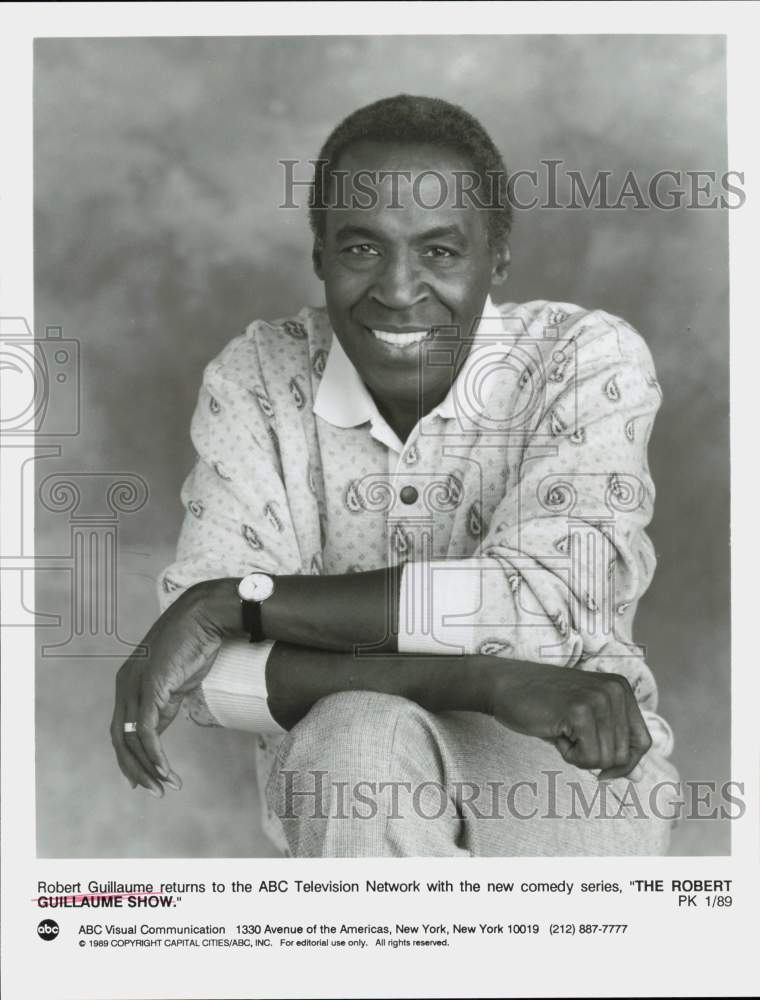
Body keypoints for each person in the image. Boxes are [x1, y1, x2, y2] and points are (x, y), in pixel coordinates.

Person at [110, 94, 678, 857]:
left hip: (568, 778)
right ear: (318, 255)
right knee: (359, 740)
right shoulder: (259, 375)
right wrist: (485, 682)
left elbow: (542, 607)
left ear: (498, 259)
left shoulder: (582, 358)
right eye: (360, 249)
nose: (399, 288)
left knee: (355, 739)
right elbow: (207, 682)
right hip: (349, 791)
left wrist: (230, 603)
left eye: (440, 251)